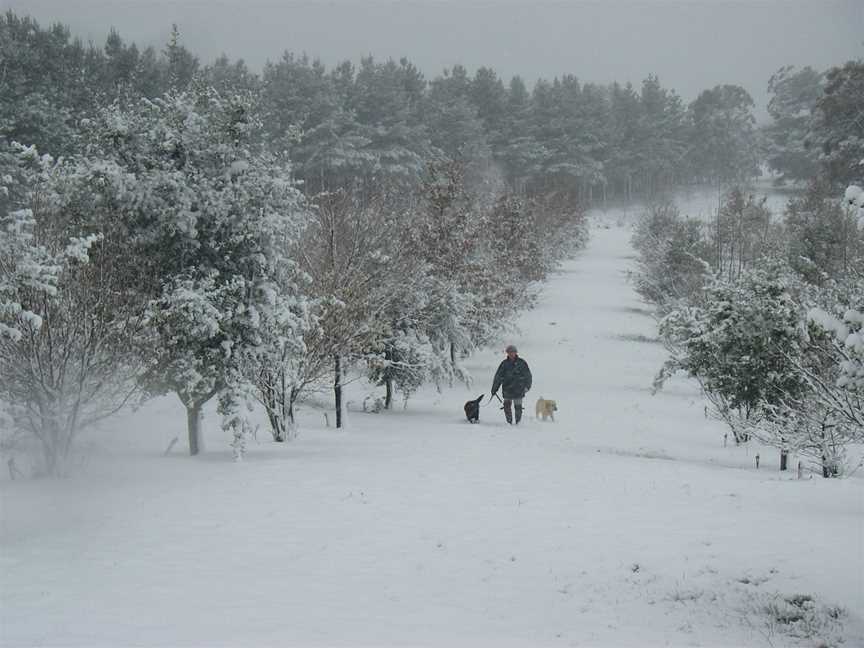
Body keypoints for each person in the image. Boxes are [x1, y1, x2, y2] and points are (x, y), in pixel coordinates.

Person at [491, 344, 532, 425]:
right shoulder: (504, 364)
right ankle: (509, 422)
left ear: (516, 352)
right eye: (509, 352)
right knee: (506, 406)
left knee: (518, 407)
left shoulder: (522, 363)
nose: (511, 354)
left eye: (512, 352)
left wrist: (527, 386)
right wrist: (494, 389)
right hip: (507, 388)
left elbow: (528, 376)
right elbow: (498, 377)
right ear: (507, 353)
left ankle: (518, 422)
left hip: (519, 388)